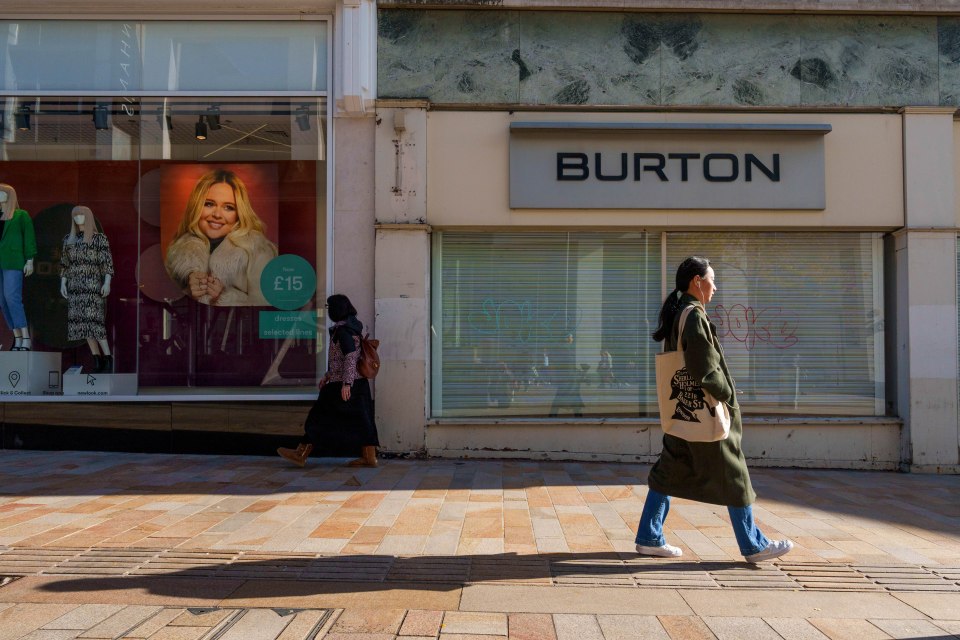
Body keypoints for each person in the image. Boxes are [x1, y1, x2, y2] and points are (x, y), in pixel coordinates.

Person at [635, 256, 794, 563]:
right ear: (697, 281)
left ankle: (649, 537)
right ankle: (753, 545)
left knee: (669, 472)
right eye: (712, 279)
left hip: (683, 412)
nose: (716, 287)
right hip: (704, 412)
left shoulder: (679, 313)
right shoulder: (693, 316)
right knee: (734, 475)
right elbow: (703, 368)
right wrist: (726, 393)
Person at [277, 294, 380, 468]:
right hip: (359, 384)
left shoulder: (343, 331)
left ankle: (301, 454)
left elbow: (350, 356)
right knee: (364, 420)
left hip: (342, 385)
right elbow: (340, 359)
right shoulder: (352, 327)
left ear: (336, 309)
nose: (328, 311)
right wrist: (328, 375)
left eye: (329, 307)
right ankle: (369, 457)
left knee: (318, 417)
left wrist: (346, 383)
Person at [165, 169, 277, 306]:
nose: (217, 214)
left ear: (239, 213)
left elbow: (265, 310)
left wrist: (225, 296)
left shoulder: (257, 250)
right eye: (209, 204)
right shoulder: (178, 253)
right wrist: (189, 285)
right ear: (196, 207)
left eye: (228, 207)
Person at [60, 206, 115, 373]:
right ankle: (96, 359)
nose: (78, 218)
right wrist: (62, 283)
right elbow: (64, 264)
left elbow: (107, 263)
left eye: (81, 215)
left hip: (92, 285)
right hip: (75, 286)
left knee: (94, 323)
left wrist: (107, 282)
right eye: (75, 215)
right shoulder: (68, 239)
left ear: (88, 217)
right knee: (83, 325)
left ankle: (108, 358)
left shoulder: (99, 239)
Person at [0, 184, 36, 351]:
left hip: (13, 261)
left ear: (9, 195)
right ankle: (17, 337)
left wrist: (30, 260)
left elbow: (29, 238)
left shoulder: (21, 215)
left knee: (12, 297)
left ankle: (26, 337)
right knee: (2, 300)